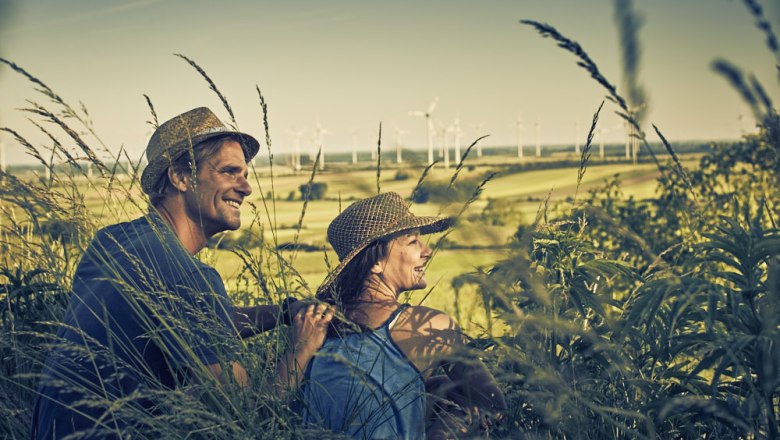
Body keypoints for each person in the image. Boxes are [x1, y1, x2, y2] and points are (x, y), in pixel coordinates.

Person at [32, 107, 332, 439]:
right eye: (230, 172)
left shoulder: (112, 241)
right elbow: (247, 414)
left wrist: (282, 313)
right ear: (181, 177)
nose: (246, 188)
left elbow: (198, 317)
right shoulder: (191, 277)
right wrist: (300, 349)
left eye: (245, 174)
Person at [300, 192, 506, 439]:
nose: (427, 251)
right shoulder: (429, 327)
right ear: (375, 263)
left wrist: (430, 387)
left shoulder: (312, 326)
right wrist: (447, 426)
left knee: (441, 386)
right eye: (412, 242)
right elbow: (493, 402)